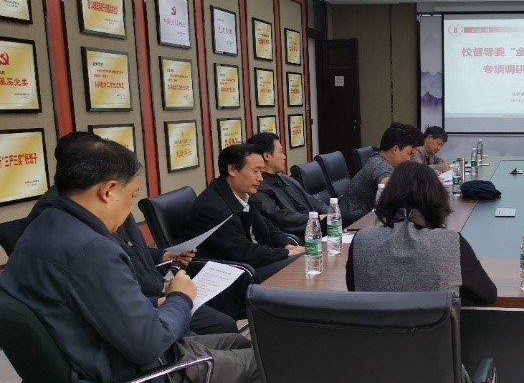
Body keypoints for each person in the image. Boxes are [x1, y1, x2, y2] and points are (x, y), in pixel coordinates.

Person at [0, 138, 283, 383]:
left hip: (98, 370)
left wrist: (154, 306)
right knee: (273, 368)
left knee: (239, 341)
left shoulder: (45, 229)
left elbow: (89, 312)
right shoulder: (91, 249)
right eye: (131, 196)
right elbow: (148, 343)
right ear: (108, 190)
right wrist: (180, 298)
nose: (129, 209)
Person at [27, 132, 237, 335]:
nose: (129, 204)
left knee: (229, 336)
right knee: (229, 338)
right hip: (144, 308)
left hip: (151, 296)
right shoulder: (80, 237)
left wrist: (164, 256)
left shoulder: (92, 208)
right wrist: (177, 299)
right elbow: (145, 336)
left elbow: (131, 248)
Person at [346, 160, 496, 305]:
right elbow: (487, 294)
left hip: (375, 324)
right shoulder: (451, 242)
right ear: (437, 199)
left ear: (386, 197)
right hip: (436, 324)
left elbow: (354, 289)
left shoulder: (361, 241)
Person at [186, 143, 304, 283]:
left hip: (252, 263)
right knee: (299, 263)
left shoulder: (241, 193)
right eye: (255, 171)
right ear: (232, 169)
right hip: (232, 274)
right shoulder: (211, 208)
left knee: (304, 258)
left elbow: (264, 223)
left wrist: (286, 244)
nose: (260, 178)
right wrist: (286, 253)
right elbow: (243, 251)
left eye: (261, 171)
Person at [246, 132, 333, 236]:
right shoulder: (258, 188)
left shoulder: (287, 179)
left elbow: (313, 202)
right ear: (267, 156)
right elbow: (281, 219)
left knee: (346, 216)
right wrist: (318, 219)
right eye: (280, 152)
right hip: (303, 235)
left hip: (320, 227)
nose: (284, 157)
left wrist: (331, 213)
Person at [341, 125, 417, 223]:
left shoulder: (379, 158)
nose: (409, 159)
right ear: (395, 149)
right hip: (354, 220)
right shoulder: (379, 164)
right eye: (408, 153)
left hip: (366, 217)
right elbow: (387, 183)